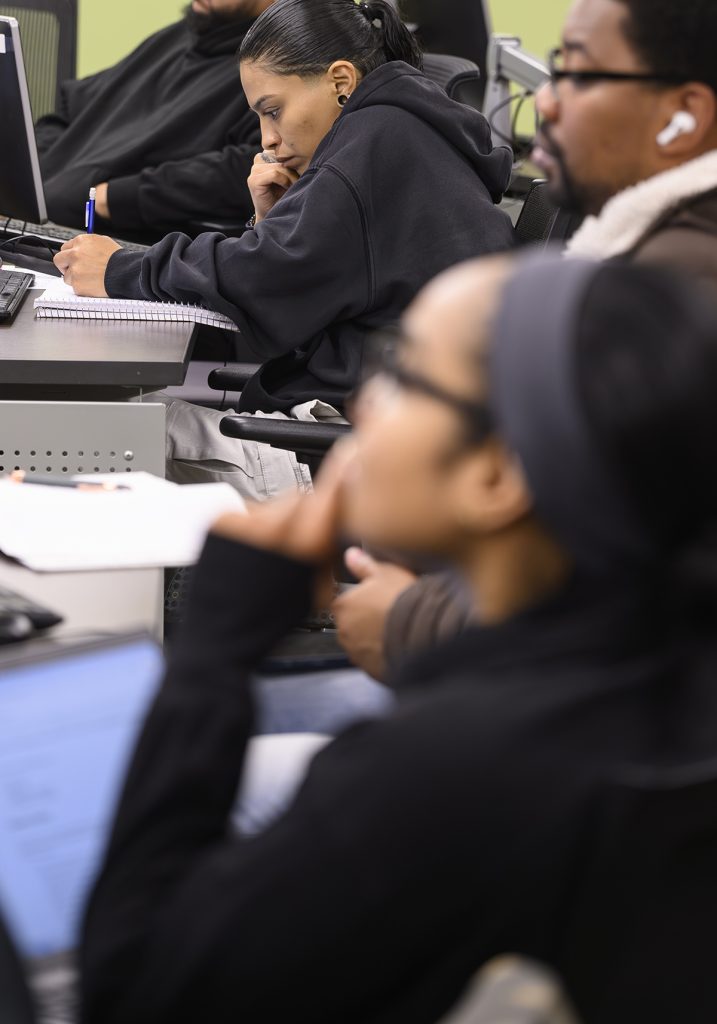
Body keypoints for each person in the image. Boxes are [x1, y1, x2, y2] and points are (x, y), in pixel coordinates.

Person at [80, 253, 717, 1023]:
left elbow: (131, 991)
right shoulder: (654, 677)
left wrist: (217, 644)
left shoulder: (446, 769)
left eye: (401, 373)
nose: (359, 402)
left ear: (496, 477)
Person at [336, 0, 717, 679]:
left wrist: (407, 623)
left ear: (683, 116)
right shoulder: (656, 261)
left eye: (575, 72)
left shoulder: (672, 296)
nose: (546, 103)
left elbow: (611, 593)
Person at [53, 0, 515, 498]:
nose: (268, 140)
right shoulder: (399, 130)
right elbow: (298, 278)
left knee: (90, 431)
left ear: (341, 82)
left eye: (273, 111)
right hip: (380, 431)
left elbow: (259, 280)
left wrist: (121, 269)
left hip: (349, 458)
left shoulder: (370, 148)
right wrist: (269, 221)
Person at [35, 0, 274, 239]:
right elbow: (76, 105)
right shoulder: (181, 36)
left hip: (103, 239)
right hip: (38, 211)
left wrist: (118, 198)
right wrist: (34, 163)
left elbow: (255, 163)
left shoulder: (270, 69)